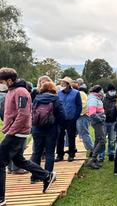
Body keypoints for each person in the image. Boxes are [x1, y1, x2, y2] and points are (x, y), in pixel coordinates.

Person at [0, 68, 57, 205]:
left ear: (9, 80)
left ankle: (1, 198)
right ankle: (46, 175)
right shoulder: (11, 91)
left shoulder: (21, 92)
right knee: (19, 160)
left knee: (0, 163)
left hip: (17, 133)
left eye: (1, 82)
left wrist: (12, 131)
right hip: (13, 132)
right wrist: (7, 128)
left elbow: (24, 114)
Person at [30, 81, 66, 181]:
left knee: (36, 152)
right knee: (50, 153)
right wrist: (60, 125)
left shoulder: (37, 98)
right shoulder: (56, 99)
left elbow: (32, 112)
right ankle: (48, 176)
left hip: (37, 128)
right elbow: (62, 115)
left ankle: (34, 176)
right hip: (52, 129)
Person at [56, 77, 82, 162]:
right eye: (61, 83)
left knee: (71, 137)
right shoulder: (59, 93)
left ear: (68, 84)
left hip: (71, 118)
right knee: (59, 137)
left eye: (63, 83)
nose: (62, 85)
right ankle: (60, 155)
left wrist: (75, 117)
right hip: (61, 118)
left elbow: (79, 106)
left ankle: (71, 154)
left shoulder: (76, 93)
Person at [71, 80, 94, 158]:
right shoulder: (74, 94)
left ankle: (92, 149)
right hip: (76, 117)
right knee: (72, 134)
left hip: (82, 117)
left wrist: (76, 113)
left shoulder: (81, 94)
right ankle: (71, 149)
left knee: (84, 134)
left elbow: (83, 105)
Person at [86, 85, 107, 169]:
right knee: (102, 140)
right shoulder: (93, 99)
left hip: (98, 121)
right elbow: (92, 113)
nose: (103, 92)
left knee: (98, 139)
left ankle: (94, 160)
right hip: (97, 122)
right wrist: (100, 119)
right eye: (102, 90)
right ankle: (93, 159)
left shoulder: (96, 98)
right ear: (98, 91)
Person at [102, 84, 117, 161]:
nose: (113, 92)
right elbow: (102, 109)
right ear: (108, 91)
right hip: (105, 121)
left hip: (114, 121)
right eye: (111, 91)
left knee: (112, 140)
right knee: (102, 139)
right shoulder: (104, 99)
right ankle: (101, 156)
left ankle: (111, 154)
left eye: (114, 91)